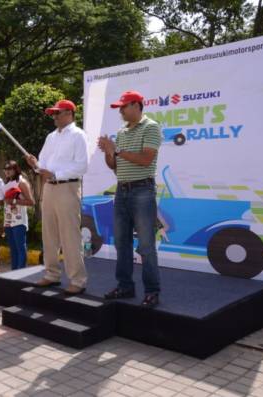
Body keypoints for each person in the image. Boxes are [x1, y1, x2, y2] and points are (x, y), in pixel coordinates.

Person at [97, 90, 162, 308]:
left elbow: (145, 160)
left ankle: (152, 291)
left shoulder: (151, 127)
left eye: (123, 107)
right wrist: (108, 153)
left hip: (143, 191)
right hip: (122, 191)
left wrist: (117, 150)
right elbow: (114, 165)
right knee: (121, 243)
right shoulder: (121, 131)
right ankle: (125, 286)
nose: (121, 111)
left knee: (145, 245)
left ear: (137, 105)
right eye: (119, 108)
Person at [25, 99, 88, 295]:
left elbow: (82, 166)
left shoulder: (79, 135)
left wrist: (54, 175)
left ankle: (78, 280)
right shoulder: (51, 137)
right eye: (53, 113)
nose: (54, 117)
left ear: (69, 113)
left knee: (70, 235)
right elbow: (43, 164)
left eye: (57, 113)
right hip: (50, 188)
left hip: (67, 187)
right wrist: (34, 164)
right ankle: (51, 274)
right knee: (49, 234)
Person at [3, 160, 34, 270]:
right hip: (8, 220)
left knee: (20, 248)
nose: (7, 171)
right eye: (5, 169)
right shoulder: (6, 183)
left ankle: (21, 273)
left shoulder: (22, 182)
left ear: (16, 169)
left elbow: (31, 202)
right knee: (13, 248)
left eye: (9, 169)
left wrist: (14, 201)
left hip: (19, 221)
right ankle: (14, 273)